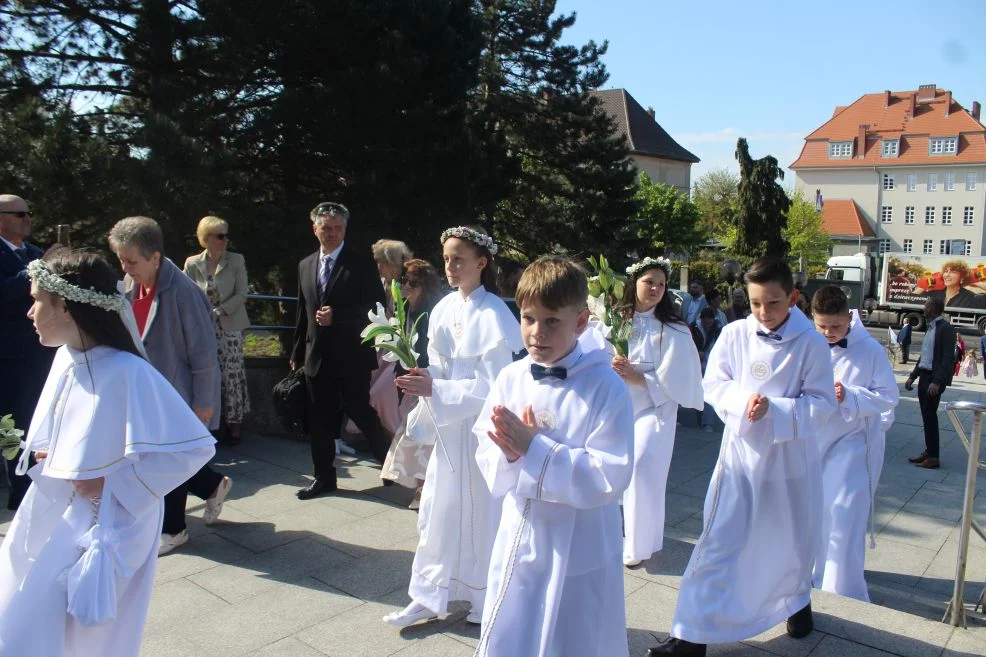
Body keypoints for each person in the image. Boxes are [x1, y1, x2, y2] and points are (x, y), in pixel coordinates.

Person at [0, 249, 214, 657]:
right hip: (60, 506)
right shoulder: (66, 358)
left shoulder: (129, 371)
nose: (30, 312)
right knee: (25, 605)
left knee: (70, 625)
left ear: (66, 305)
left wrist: (111, 482)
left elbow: (194, 448)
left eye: (36, 300)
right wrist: (51, 454)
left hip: (109, 524)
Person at [648, 257, 836, 657]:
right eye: (754, 303)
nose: (763, 313)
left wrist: (777, 410)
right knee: (719, 540)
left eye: (773, 303)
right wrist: (741, 400)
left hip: (789, 461)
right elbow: (713, 382)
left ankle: (796, 601)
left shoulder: (812, 342)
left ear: (794, 298)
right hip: (740, 458)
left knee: (791, 539)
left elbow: (822, 406)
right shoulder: (735, 334)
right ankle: (690, 634)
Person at [473, 256, 634, 657]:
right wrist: (509, 456)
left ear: (580, 322)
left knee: (575, 632)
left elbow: (609, 473)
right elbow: (484, 440)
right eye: (528, 318)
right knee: (515, 624)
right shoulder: (511, 377)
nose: (536, 333)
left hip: (580, 539)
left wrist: (534, 449)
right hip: (523, 532)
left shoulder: (605, 386)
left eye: (551, 322)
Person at [384, 226, 522, 627]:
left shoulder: (495, 313)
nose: (451, 266)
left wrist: (438, 387)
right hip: (447, 429)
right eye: (446, 258)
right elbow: (441, 367)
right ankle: (428, 593)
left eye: (459, 258)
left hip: (477, 431)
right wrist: (422, 377)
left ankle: (486, 595)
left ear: (482, 262)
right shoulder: (443, 308)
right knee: (437, 510)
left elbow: (494, 386)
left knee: (482, 512)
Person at [109, 216, 231, 555]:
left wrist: (204, 404)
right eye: (121, 259)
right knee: (161, 457)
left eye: (131, 261)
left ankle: (174, 529)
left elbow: (204, 354)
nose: (125, 267)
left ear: (155, 257)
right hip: (149, 393)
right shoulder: (132, 284)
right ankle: (212, 484)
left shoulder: (183, 292)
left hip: (179, 395)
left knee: (166, 459)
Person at [291, 202, 389, 499]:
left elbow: (376, 309)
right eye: (326, 228)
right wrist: (296, 351)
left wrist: (340, 317)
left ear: (345, 230)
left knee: (361, 412)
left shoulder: (359, 264)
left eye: (337, 228)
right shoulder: (306, 265)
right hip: (317, 357)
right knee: (318, 418)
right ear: (315, 229)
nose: (332, 233)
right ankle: (324, 478)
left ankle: (391, 465)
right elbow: (302, 312)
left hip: (352, 356)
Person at [610, 256, 703, 567]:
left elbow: (681, 376)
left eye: (661, 285)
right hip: (618, 405)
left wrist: (639, 377)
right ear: (633, 283)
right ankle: (611, 534)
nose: (655, 288)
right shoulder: (613, 318)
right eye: (649, 282)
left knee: (643, 467)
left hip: (656, 406)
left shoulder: (673, 327)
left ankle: (639, 544)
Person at [810, 286, 898, 602]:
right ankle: (811, 576)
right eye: (821, 326)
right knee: (812, 512)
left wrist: (850, 395)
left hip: (852, 444)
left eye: (835, 327)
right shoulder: (808, 343)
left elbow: (889, 398)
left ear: (849, 318)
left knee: (843, 513)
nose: (828, 333)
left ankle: (841, 588)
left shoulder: (871, 351)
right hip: (812, 441)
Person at [0, 193, 56, 510]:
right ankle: (17, 488)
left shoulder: (35, 253)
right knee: (8, 424)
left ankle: (41, 485)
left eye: (28, 213)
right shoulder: (33, 261)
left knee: (39, 420)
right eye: (21, 214)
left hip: (39, 355)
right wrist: (34, 272)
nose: (28, 218)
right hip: (7, 358)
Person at [381, 258, 444, 509]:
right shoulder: (405, 309)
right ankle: (422, 488)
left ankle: (423, 490)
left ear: (426, 285)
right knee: (416, 436)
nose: (406, 286)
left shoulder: (431, 311)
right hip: (417, 382)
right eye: (403, 281)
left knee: (422, 438)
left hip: (431, 382)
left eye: (413, 282)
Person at [183, 215, 251, 445]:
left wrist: (221, 310)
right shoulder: (192, 263)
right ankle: (211, 424)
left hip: (230, 326)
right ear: (206, 238)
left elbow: (242, 293)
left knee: (232, 375)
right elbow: (186, 294)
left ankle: (235, 427)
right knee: (206, 375)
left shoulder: (236, 260)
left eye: (226, 235)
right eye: (220, 236)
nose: (225, 240)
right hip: (203, 328)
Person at [355, 239, 414, 437]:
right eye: (377, 262)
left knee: (384, 391)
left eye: (383, 262)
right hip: (383, 346)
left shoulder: (408, 285)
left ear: (394, 262)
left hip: (400, 347)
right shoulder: (381, 284)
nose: (378, 267)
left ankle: (395, 432)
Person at [905, 298, 956, 470]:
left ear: (932, 309)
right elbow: (924, 356)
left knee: (930, 417)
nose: (923, 309)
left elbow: (949, 358)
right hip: (924, 377)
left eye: (925, 307)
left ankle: (934, 456)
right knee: (926, 417)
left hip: (933, 379)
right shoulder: (931, 328)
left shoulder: (945, 329)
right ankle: (929, 451)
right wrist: (912, 376)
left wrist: (937, 381)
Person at [691, 307, 722, 431]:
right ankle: (700, 417)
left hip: (710, 363)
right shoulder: (693, 327)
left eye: (710, 322)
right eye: (705, 322)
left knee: (708, 391)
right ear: (701, 320)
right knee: (697, 391)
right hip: (695, 361)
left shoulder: (718, 329)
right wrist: (697, 352)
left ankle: (707, 422)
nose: (707, 325)